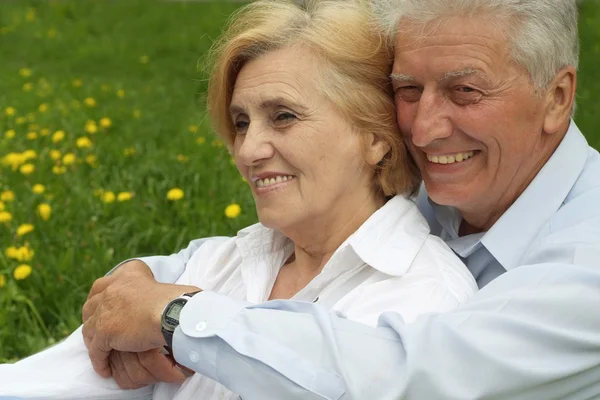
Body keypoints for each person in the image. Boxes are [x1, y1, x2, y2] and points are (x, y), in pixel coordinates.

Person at [72, 0, 600, 398]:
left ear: (557, 97)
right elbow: (208, 264)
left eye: (466, 91)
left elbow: (404, 375)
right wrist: (131, 285)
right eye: (408, 91)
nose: (422, 130)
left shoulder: (586, 264)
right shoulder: (443, 191)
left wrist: (175, 320)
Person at [0, 1, 478, 399]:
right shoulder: (218, 264)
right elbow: (49, 385)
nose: (248, 150)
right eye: (242, 121)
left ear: (376, 136)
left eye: (284, 116)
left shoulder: (424, 303)